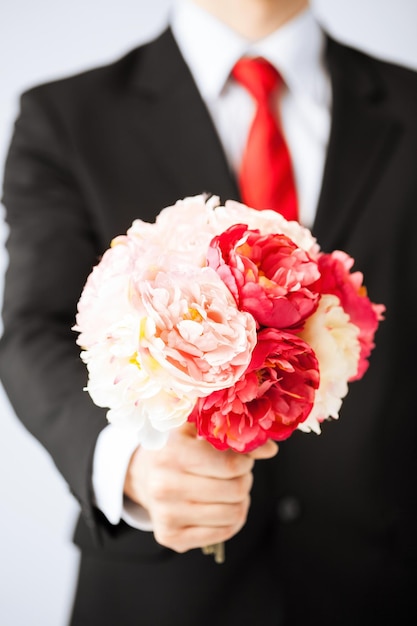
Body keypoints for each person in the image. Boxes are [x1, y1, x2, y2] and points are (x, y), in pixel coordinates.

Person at [1, 0, 417, 624]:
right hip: (159, 595)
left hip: (384, 577)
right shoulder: (68, 115)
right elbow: (33, 329)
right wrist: (129, 463)